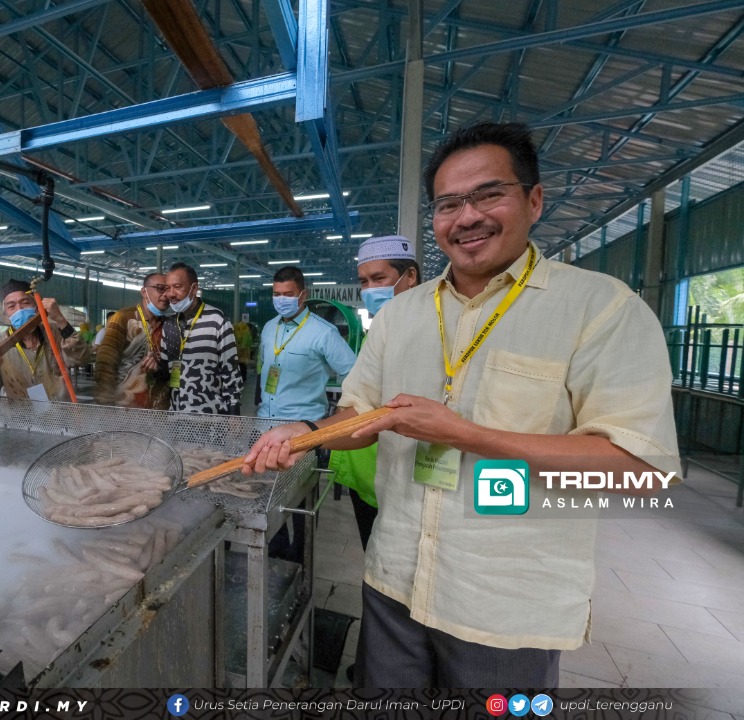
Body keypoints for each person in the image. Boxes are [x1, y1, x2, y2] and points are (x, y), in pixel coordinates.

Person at [242, 121, 680, 688]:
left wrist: (465, 434)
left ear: (534, 200)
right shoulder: (402, 316)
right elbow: (361, 413)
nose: (467, 217)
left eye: (488, 194)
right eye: (448, 204)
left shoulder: (600, 309)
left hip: (502, 601)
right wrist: (307, 431)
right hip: (394, 578)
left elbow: (640, 470)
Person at [332, 235, 421, 552]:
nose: (370, 289)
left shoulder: (425, 331)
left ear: (410, 276)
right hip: (363, 470)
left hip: (396, 476)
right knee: (371, 558)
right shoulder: (380, 329)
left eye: (379, 278)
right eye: (364, 281)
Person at [258, 265, 355, 421]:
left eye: (288, 295)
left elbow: (353, 373)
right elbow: (264, 364)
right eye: (277, 294)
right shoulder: (269, 327)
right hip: (264, 421)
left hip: (304, 425)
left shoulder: (324, 332)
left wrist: (344, 409)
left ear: (303, 295)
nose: (281, 300)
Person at [0, 279, 90, 402]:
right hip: (21, 412)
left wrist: (61, 320)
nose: (19, 310)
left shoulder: (55, 332)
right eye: (11, 306)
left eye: (25, 303)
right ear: (6, 316)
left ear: (37, 307)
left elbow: (81, 359)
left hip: (58, 411)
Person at [160, 262, 243, 414]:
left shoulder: (217, 320)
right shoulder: (170, 325)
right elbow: (165, 370)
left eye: (177, 287)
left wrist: (233, 408)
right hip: (177, 414)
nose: (171, 294)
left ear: (194, 288)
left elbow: (230, 370)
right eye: (167, 288)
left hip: (211, 415)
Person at [93, 273, 173, 409]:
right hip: (124, 406)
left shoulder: (169, 325)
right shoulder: (123, 318)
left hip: (158, 408)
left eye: (168, 290)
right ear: (144, 292)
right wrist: (105, 404)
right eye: (160, 288)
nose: (166, 294)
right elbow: (105, 363)